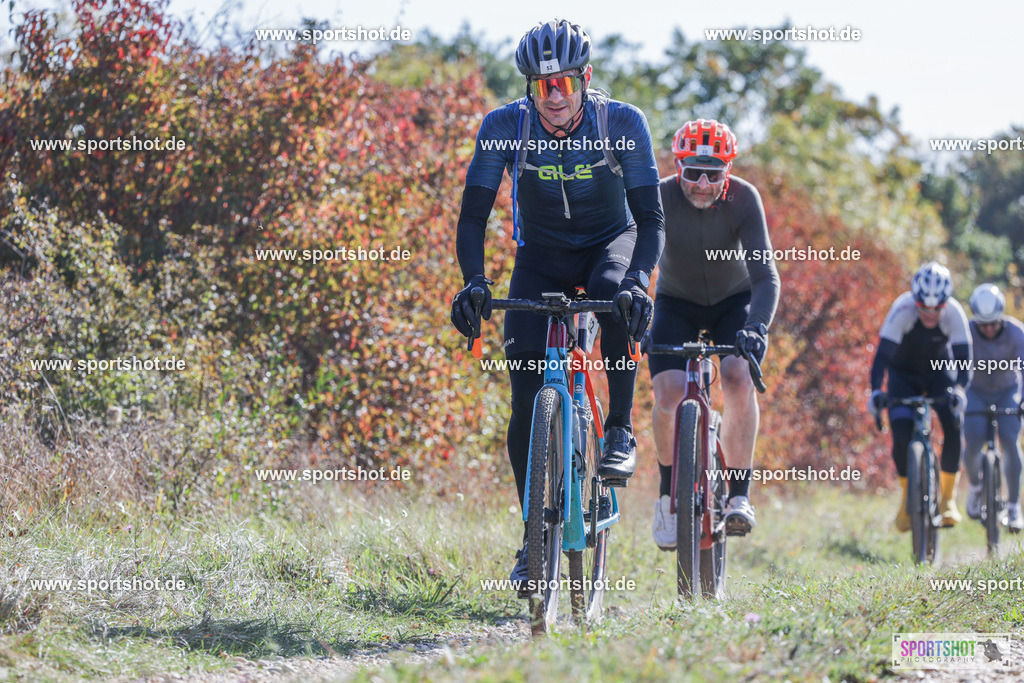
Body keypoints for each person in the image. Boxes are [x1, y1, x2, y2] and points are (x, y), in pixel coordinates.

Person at [449, 20, 665, 587]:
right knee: (524, 398)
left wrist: (639, 280)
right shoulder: (505, 126)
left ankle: (618, 428)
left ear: (585, 78)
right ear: (529, 87)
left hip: (609, 244)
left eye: (564, 84)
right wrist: (474, 282)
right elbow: (473, 217)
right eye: (542, 86)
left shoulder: (621, 122)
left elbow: (651, 219)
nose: (554, 97)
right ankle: (532, 539)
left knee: (617, 294)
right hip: (540, 255)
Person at [648, 119, 780, 549]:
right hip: (675, 302)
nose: (702, 184)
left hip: (732, 303)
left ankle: (739, 495)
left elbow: (766, 277)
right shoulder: (659, 195)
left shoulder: (744, 198)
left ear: (728, 170)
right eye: (693, 172)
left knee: (738, 379)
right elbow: (638, 257)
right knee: (668, 394)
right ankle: (667, 495)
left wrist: (756, 327)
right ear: (678, 166)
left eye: (713, 173)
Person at [868, 262, 972, 529]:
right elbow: (881, 359)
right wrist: (876, 391)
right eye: (924, 308)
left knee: (953, 423)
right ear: (915, 301)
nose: (930, 314)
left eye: (937, 309)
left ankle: (947, 498)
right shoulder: (902, 310)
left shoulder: (955, 313)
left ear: (945, 303)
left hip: (939, 374)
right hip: (903, 377)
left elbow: (964, 361)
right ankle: (907, 498)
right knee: (901, 434)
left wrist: (960, 390)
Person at [963, 283, 1024, 532]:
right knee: (973, 439)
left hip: (1007, 391)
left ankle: (1013, 506)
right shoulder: (966, 331)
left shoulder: (1017, 333)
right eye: (983, 325)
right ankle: (976, 487)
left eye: (993, 324)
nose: (988, 329)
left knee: (1010, 439)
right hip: (975, 391)